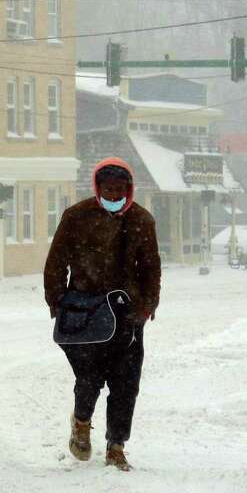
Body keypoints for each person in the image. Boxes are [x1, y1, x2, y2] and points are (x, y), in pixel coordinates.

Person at [44, 157, 161, 472]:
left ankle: (116, 445)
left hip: (128, 315)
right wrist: (56, 301)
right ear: (97, 187)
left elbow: (151, 267)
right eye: (108, 190)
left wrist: (148, 305)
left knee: (126, 383)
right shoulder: (76, 217)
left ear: (129, 189)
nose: (113, 196)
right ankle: (81, 421)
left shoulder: (142, 221)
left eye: (119, 190)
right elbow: (56, 261)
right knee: (89, 379)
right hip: (86, 313)